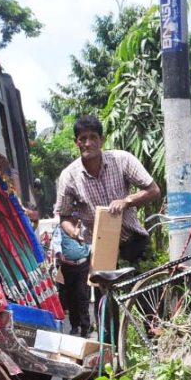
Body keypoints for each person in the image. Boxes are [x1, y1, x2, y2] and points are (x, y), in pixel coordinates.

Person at [55, 114, 160, 267]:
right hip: (99, 250)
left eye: (93, 137)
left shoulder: (122, 160)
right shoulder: (69, 176)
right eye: (82, 139)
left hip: (134, 243)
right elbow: (64, 216)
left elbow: (154, 190)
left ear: (101, 140)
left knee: (147, 289)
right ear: (76, 142)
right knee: (104, 290)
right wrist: (73, 232)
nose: (88, 143)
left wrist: (126, 201)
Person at [57, 221, 92, 337]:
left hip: (83, 266)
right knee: (71, 297)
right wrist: (58, 253)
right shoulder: (60, 229)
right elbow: (56, 243)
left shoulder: (84, 227)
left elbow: (91, 242)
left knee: (83, 295)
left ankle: (85, 327)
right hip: (68, 267)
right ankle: (74, 326)